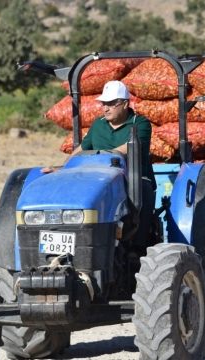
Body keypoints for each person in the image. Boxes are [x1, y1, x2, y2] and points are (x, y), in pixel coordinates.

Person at [43, 80, 156, 250]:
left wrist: (105, 155)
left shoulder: (139, 123)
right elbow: (82, 148)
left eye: (111, 104)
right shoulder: (98, 124)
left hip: (131, 178)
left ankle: (138, 248)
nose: (106, 108)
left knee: (143, 189)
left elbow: (131, 147)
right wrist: (65, 168)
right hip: (99, 178)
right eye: (104, 103)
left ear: (125, 104)